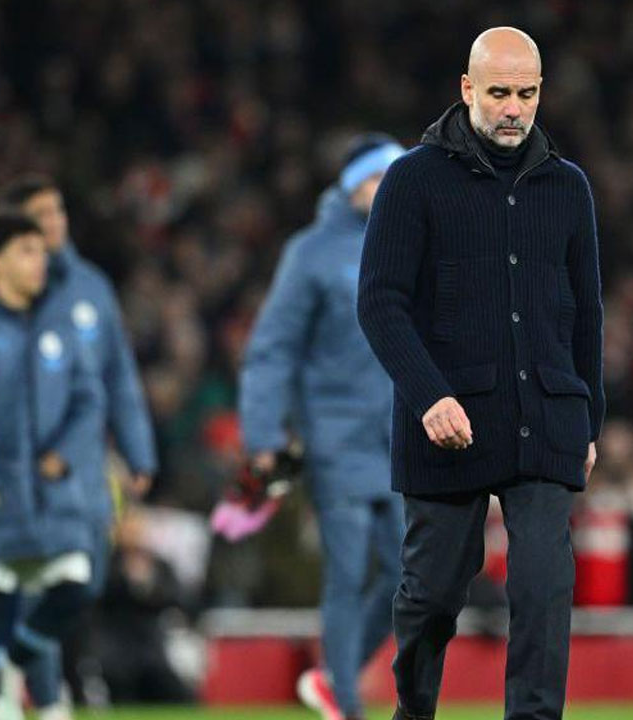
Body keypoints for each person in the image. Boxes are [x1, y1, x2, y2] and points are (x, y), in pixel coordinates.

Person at [357, 26, 605, 720]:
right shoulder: (413, 179)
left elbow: (587, 311)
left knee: (544, 588)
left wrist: (590, 419)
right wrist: (428, 395)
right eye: (498, 93)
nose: (513, 109)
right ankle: (414, 711)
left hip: (546, 415)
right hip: (448, 422)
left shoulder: (568, 187)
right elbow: (379, 302)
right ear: (467, 89)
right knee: (433, 595)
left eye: (526, 94)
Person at [239, 133, 408, 720]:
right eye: (378, 178)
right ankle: (347, 705)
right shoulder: (311, 253)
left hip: (398, 438)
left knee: (413, 572)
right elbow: (273, 349)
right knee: (347, 570)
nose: (387, 189)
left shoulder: (410, 244)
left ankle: (336, 678)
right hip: (335, 436)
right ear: (352, 184)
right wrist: (263, 434)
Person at [0, 211, 105, 720]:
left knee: (73, 588)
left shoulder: (58, 322)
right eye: (26, 251)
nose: (39, 261)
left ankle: (10, 665)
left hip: (53, 495)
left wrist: (65, 454)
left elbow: (88, 399)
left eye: (41, 251)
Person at [3, 175, 157, 703]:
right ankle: (52, 695)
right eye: (40, 215)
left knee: (84, 583)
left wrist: (138, 451)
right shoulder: (5, 290)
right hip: (30, 465)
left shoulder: (91, 288)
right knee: (43, 578)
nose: (53, 223)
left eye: (58, 211)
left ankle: (32, 663)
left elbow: (119, 377)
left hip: (88, 467)